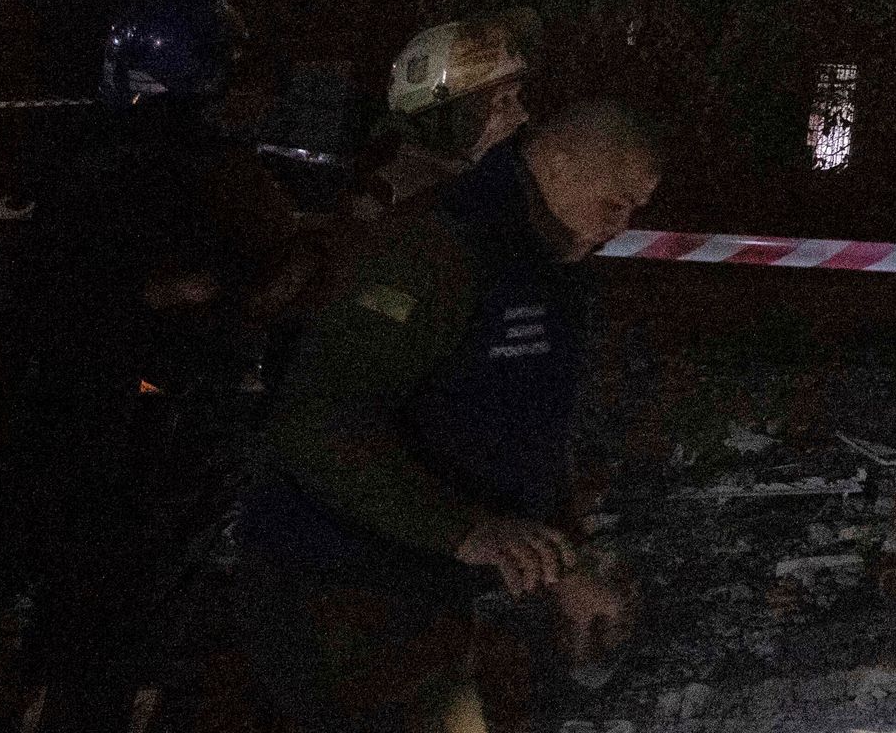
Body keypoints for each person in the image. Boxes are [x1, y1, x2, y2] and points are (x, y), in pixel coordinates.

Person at [0, 0, 302, 733]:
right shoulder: (220, 173)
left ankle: (46, 693)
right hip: (165, 411)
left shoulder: (86, 159)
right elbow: (272, 285)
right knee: (138, 601)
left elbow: (40, 295)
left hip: (87, 404)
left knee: (77, 587)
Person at [239, 99, 662, 732]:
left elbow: (524, 427)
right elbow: (320, 418)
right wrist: (463, 530)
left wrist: (559, 561)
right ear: (560, 160)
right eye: (616, 201)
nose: (623, 223)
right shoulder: (444, 245)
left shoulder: (552, 266)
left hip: (420, 590)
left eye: (636, 208)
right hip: (336, 581)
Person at [352, 10, 540, 217]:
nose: (523, 116)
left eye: (517, 99)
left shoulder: (476, 179)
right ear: (449, 116)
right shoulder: (392, 196)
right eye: (502, 102)